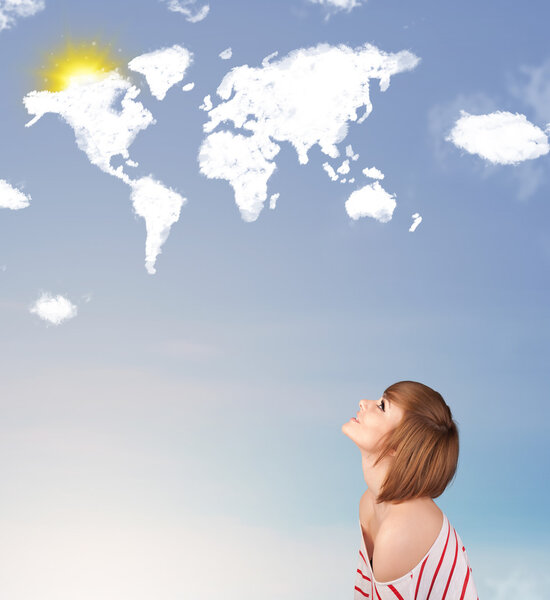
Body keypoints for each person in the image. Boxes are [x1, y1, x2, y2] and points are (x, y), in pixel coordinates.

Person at [342, 381, 479, 599]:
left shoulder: (398, 532)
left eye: (382, 406)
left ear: (399, 446)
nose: (363, 403)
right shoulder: (370, 503)